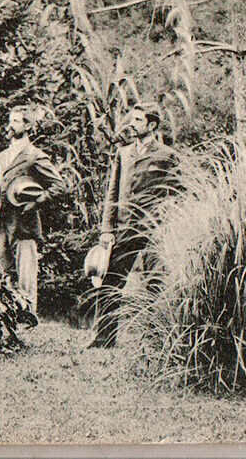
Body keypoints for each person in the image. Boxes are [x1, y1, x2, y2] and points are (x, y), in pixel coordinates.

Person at [84, 103, 175, 348]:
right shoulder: (123, 153)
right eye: (132, 119)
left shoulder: (166, 155)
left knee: (156, 285)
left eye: (138, 120)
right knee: (110, 282)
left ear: (152, 125)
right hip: (124, 229)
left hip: (154, 231)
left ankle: (159, 341)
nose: (132, 125)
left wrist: (167, 224)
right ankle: (104, 338)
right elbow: (112, 193)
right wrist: (106, 228)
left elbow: (176, 193)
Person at [0, 104, 61, 315]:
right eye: (10, 121)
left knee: (26, 279)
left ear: (28, 125)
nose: (10, 126)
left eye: (16, 121)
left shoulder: (34, 155)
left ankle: (28, 321)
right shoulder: (2, 157)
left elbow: (59, 184)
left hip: (24, 225)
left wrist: (38, 200)